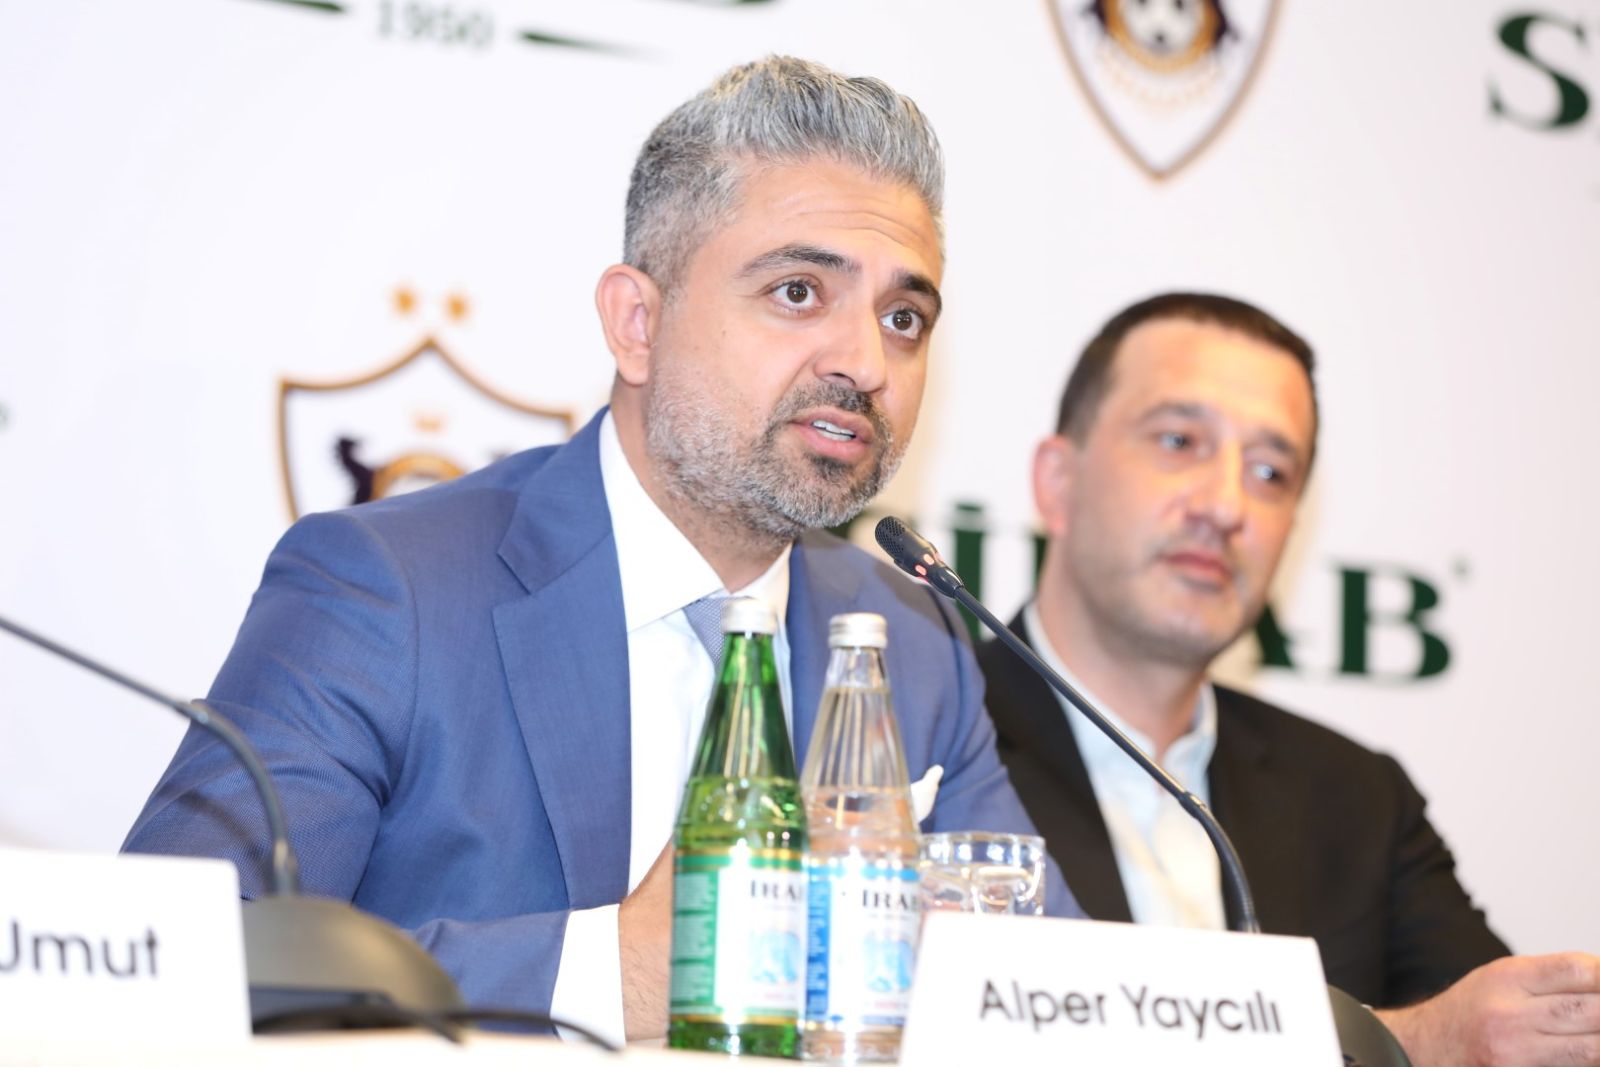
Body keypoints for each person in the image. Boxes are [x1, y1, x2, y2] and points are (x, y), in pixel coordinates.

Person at [124, 57, 1079, 1045]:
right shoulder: (388, 589)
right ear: (637, 323)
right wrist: (617, 968)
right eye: (798, 291)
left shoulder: (911, 641)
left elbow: (1056, 1004)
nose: (865, 362)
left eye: (902, 318)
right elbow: (177, 963)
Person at [980, 291, 1600, 1067]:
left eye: (1271, 471)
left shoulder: (1358, 798)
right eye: (1178, 440)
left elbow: (1494, 1033)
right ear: (1057, 481)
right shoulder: (922, 733)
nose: (1225, 506)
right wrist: (1404, 1040)